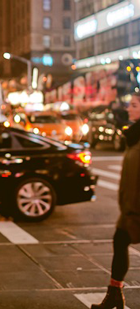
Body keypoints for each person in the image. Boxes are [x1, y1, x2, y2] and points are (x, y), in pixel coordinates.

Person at [92, 95, 140, 309]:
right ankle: (114, 294)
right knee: (120, 241)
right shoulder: (134, 136)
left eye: (134, 105)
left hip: (137, 208)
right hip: (130, 207)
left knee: (121, 241)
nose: (129, 109)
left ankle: (114, 295)